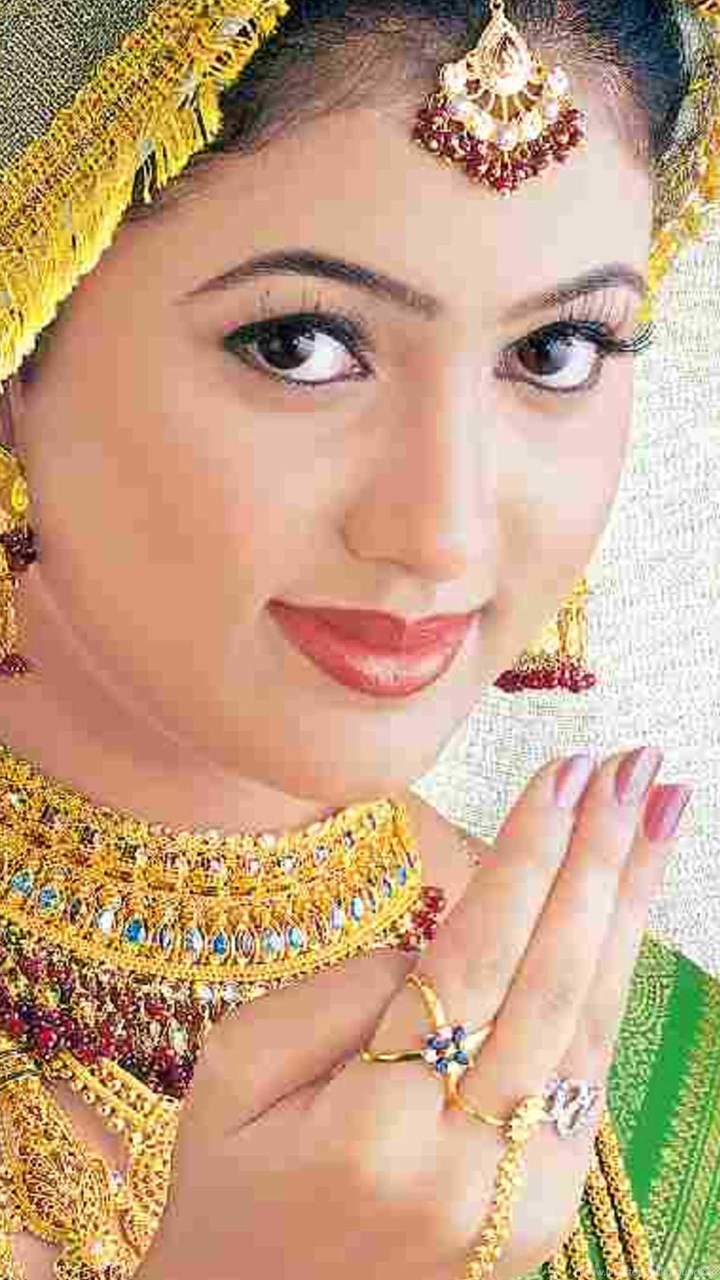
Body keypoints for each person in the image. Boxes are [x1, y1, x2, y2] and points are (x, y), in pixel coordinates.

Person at [0, 0, 717, 1277]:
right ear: (18, 336)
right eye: (300, 345)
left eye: (558, 350)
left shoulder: (670, 1077)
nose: (444, 531)